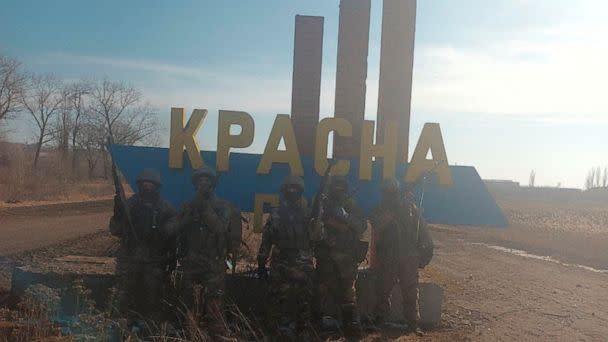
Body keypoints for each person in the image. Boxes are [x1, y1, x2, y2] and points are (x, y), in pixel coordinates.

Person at [109, 168, 177, 333]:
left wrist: (160, 234)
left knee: (152, 297)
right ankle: (119, 326)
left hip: (154, 261)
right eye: (144, 184)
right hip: (130, 259)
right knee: (123, 295)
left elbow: (173, 234)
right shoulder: (130, 204)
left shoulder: (166, 208)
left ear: (157, 187)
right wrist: (118, 213)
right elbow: (115, 230)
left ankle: (151, 328)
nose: (147, 187)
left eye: (151, 184)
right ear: (139, 185)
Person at [174, 166, 235, 340]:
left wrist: (205, 208)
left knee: (214, 304)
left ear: (213, 185)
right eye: (200, 181)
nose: (203, 184)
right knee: (189, 303)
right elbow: (174, 230)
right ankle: (190, 334)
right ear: (195, 185)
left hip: (214, 263)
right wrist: (189, 215)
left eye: (207, 181)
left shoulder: (223, 206)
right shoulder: (188, 206)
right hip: (191, 262)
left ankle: (216, 335)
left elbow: (220, 228)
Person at [257, 175, 319, 339]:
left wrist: (317, 221)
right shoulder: (276, 214)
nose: (292, 192)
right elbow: (267, 240)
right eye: (289, 189)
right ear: (284, 191)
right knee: (274, 303)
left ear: (300, 192)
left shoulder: (309, 214)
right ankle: (272, 334)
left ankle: (302, 334)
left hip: (303, 266)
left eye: (295, 189)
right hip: (281, 265)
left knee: (304, 304)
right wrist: (261, 264)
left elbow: (317, 238)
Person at [369, 178, 434, 336]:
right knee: (382, 291)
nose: (390, 196)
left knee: (411, 293)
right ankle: (380, 322)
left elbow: (423, 230)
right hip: (388, 257)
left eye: (393, 193)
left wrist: (426, 252)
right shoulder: (380, 209)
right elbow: (377, 226)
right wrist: (394, 211)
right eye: (388, 193)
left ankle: (412, 324)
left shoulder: (410, 208)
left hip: (409, 257)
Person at [313, 176, 367, 338]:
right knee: (319, 293)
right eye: (335, 188)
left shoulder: (352, 206)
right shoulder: (322, 206)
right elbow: (314, 228)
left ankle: (351, 331)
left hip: (346, 261)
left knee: (348, 297)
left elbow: (360, 226)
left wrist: (343, 217)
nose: (338, 191)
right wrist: (328, 221)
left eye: (341, 188)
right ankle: (315, 328)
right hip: (326, 258)